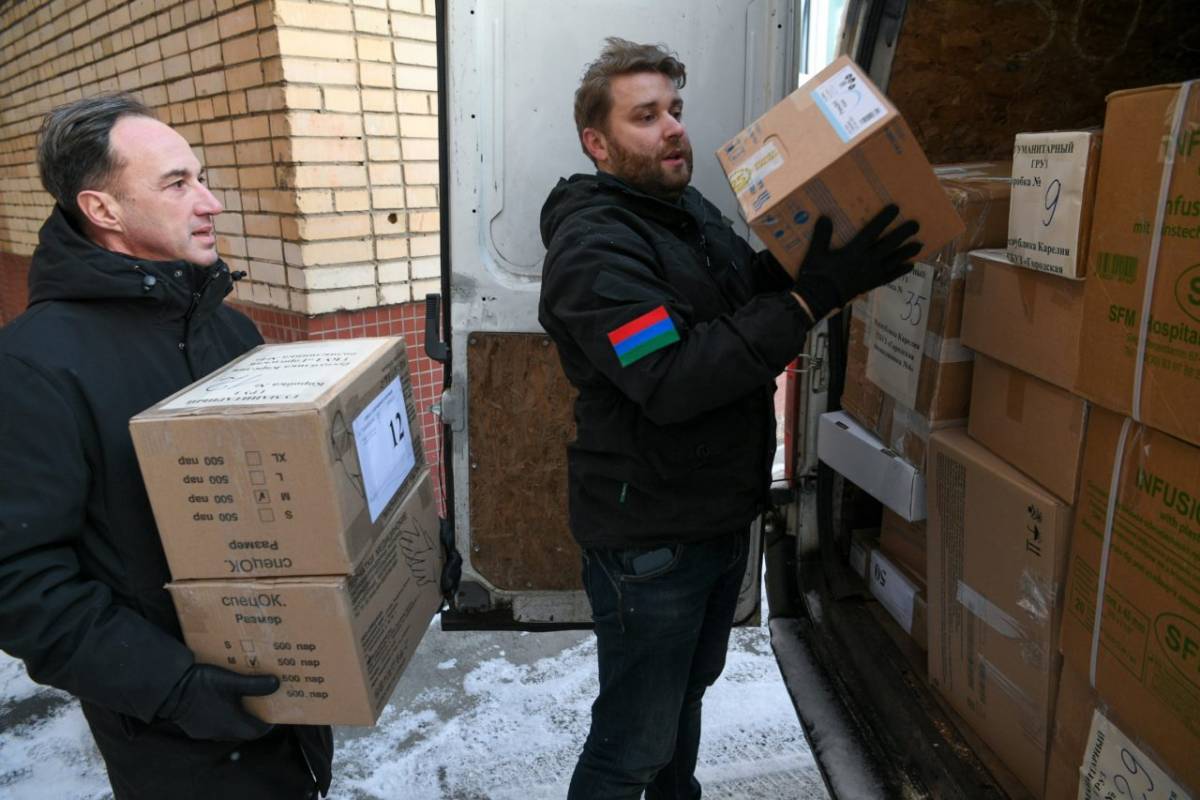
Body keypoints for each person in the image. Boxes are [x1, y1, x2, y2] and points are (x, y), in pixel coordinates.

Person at [538, 38, 922, 799]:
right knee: (631, 745)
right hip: (652, 539)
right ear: (597, 143)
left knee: (683, 699)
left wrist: (802, 266)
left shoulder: (681, 212)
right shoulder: (594, 248)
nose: (673, 128)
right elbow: (672, 375)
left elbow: (736, 294)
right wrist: (808, 299)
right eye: (645, 116)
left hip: (710, 515)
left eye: (675, 109)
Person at [0, 94, 333, 799]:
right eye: (178, 183)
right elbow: (20, 582)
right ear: (104, 209)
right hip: (173, 743)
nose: (210, 202)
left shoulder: (228, 329)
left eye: (201, 178)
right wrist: (174, 688)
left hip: (287, 700)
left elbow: (290, 484)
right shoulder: (33, 366)